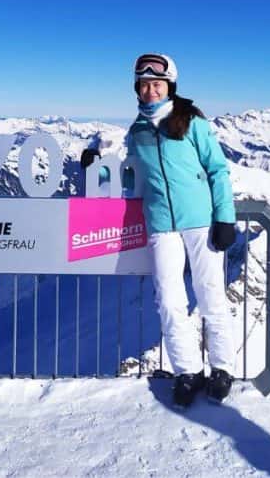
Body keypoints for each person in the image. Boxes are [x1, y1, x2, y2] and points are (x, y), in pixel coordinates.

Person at [81, 52, 238, 407]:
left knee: (210, 293)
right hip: (160, 223)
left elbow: (217, 169)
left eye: (157, 83)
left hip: (200, 220)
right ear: (137, 89)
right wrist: (99, 169)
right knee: (169, 300)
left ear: (169, 87)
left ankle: (222, 368)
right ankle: (187, 371)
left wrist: (224, 217)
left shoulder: (191, 121)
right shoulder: (136, 131)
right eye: (144, 84)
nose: (151, 90)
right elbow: (133, 176)